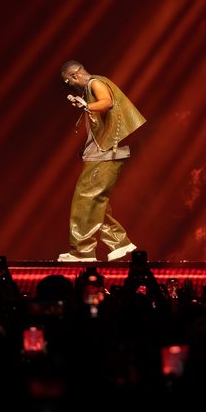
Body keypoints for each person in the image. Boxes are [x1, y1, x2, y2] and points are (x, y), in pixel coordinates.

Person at [58, 60, 147, 262]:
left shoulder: (94, 83)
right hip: (104, 151)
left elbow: (106, 102)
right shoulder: (97, 84)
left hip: (106, 153)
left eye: (67, 83)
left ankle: (82, 251)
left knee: (85, 199)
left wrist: (87, 105)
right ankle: (120, 243)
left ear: (72, 77)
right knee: (97, 202)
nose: (69, 87)